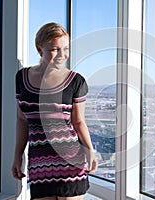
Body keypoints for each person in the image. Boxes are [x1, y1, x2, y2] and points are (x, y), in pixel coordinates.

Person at [11, 22, 97, 200]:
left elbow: (78, 122)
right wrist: (17, 156)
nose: (61, 55)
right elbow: (22, 120)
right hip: (39, 163)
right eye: (54, 49)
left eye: (65, 49)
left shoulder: (76, 81)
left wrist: (90, 151)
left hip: (71, 162)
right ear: (39, 47)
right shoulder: (21, 78)